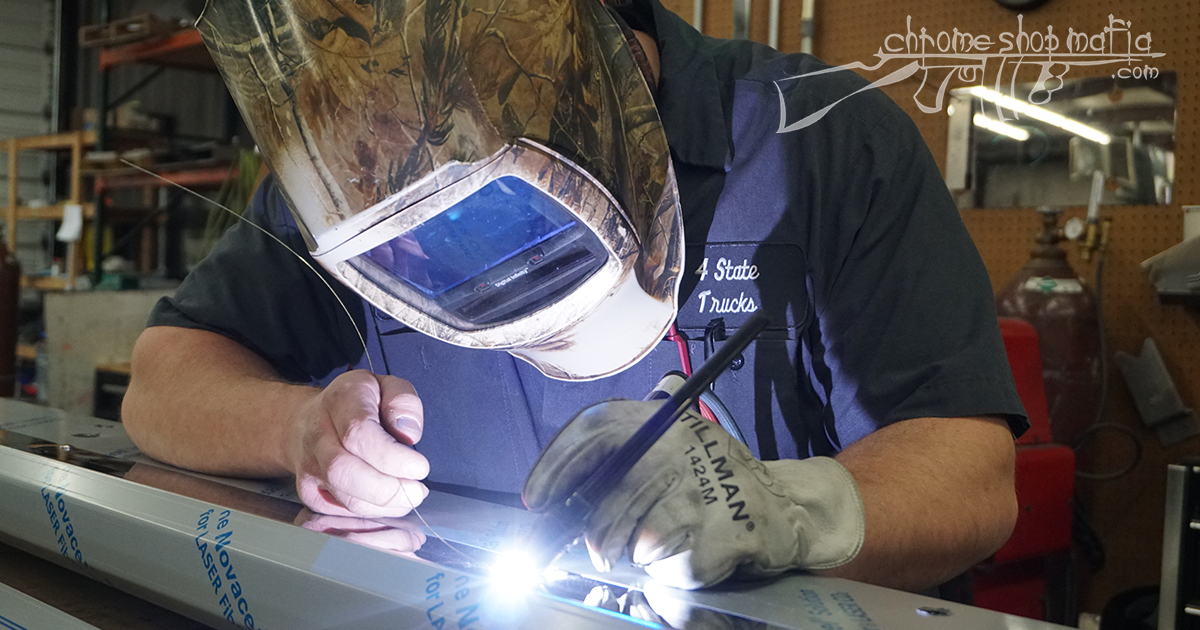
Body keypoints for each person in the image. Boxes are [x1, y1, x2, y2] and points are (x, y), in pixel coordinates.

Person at [123, 0, 1028, 594]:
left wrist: (792, 514)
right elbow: (162, 381)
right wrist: (299, 429)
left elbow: (974, 476)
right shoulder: (358, 163)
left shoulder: (827, 141)